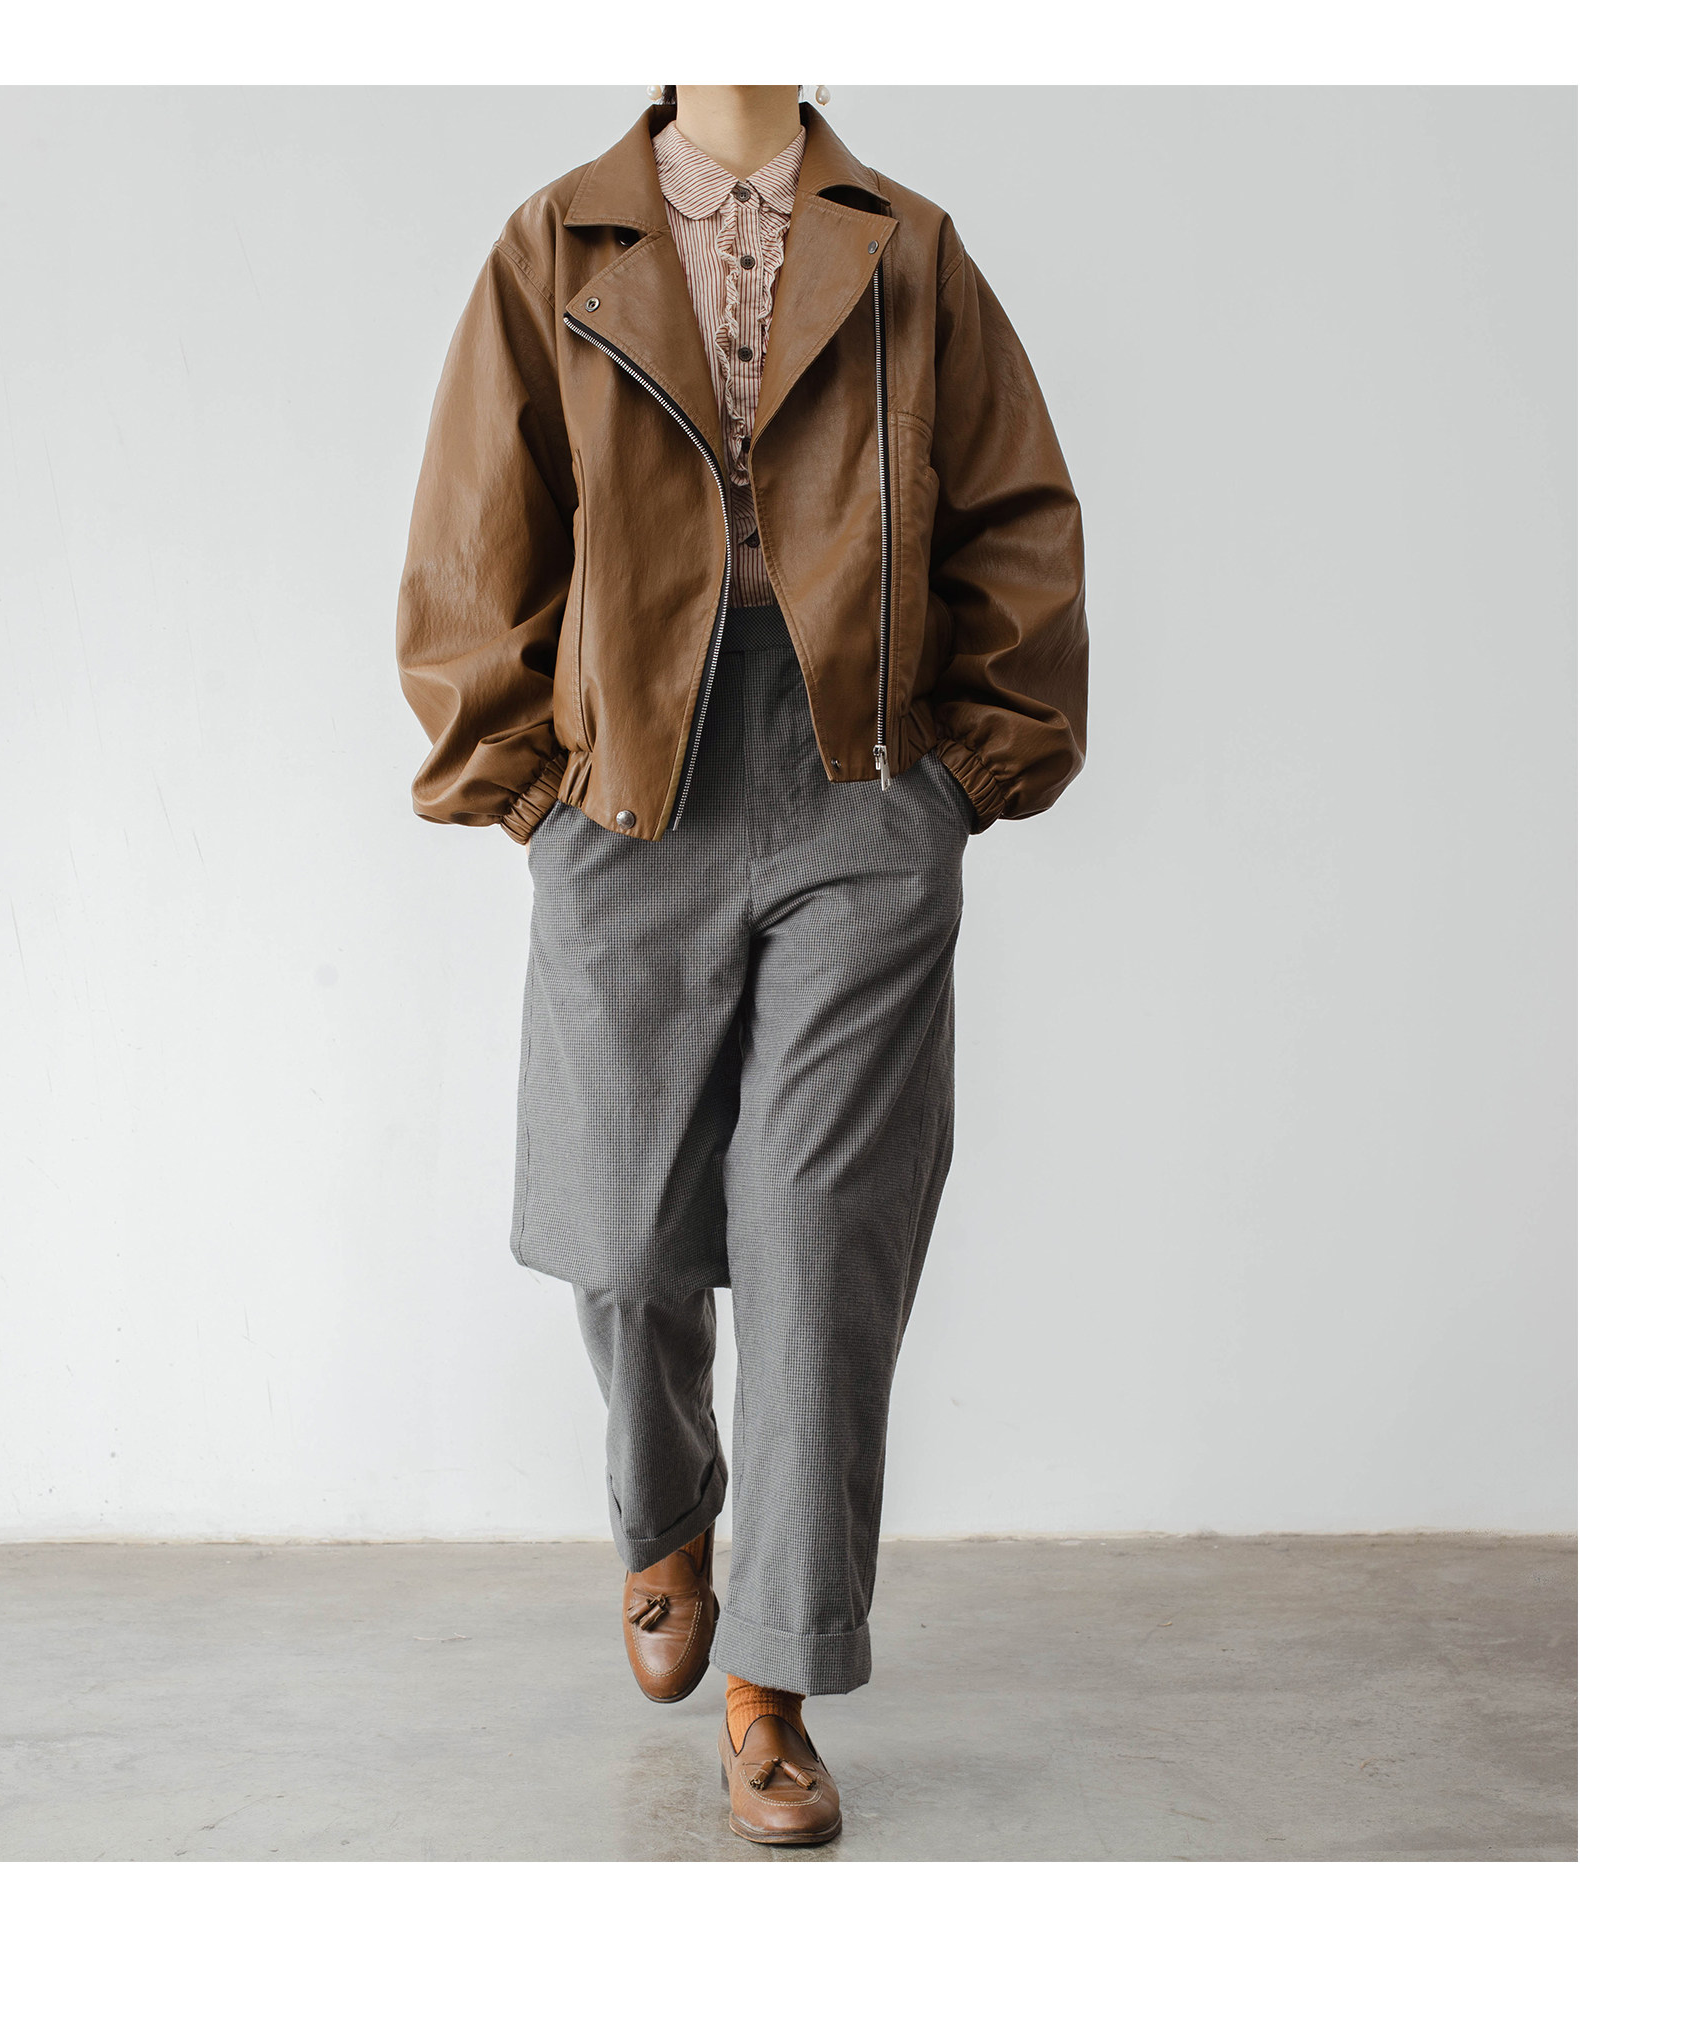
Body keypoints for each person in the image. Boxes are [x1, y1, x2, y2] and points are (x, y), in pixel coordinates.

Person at [396, 83, 1087, 1847]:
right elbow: (478, 520)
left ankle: (774, 1679)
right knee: (624, 1230)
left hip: (858, 777)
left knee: (815, 1233)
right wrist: (526, 784)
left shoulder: (909, 246)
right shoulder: (559, 239)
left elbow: (1016, 508)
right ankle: (664, 1513)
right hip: (630, 774)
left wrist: (964, 773)